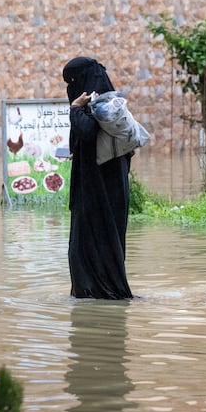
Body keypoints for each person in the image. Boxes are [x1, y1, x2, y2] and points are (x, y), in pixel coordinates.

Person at [62, 56, 133, 299]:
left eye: (71, 81)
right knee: (99, 242)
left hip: (99, 193)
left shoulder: (103, 105)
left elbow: (87, 130)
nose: (69, 88)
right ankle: (99, 292)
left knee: (90, 244)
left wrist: (74, 108)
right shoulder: (111, 105)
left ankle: (99, 293)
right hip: (106, 188)